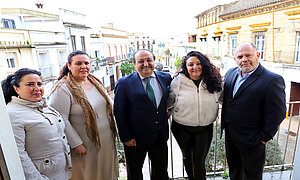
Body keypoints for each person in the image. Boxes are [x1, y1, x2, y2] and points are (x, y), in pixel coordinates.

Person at [221, 42, 286, 180]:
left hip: (253, 140)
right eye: (240, 56)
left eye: (248, 55)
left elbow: (278, 113)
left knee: (252, 176)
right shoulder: (231, 73)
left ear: (257, 55)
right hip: (231, 137)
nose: (244, 59)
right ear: (235, 59)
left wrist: (263, 137)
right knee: (234, 172)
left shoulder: (272, 80)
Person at [49, 50, 119, 180]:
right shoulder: (63, 88)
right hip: (85, 144)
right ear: (69, 66)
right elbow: (60, 118)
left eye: (86, 63)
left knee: (106, 171)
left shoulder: (94, 81)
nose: (83, 66)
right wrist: (76, 144)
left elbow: (110, 104)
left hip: (105, 139)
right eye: (78, 63)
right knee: (89, 174)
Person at [1, 68, 72, 180]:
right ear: (16, 88)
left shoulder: (44, 107)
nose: (37, 88)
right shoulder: (12, 114)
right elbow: (19, 154)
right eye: (30, 84)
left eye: (39, 84)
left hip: (61, 174)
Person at [114, 49, 172, 180]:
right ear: (134, 64)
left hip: (160, 135)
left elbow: (171, 98)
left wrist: (169, 111)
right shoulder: (124, 83)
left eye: (149, 60)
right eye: (141, 61)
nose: (146, 64)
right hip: (135, 139)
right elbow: (119, 112)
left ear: (154, 61)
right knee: (135, 174)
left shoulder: (165, 78)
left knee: (161, 172)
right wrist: (126, 137)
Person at [167, 51, 222, 180]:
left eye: (198, 63)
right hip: (181, 127)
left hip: (204, 128)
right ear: (186, 67)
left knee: (199, 161)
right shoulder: (178, 81)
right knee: (187, 157)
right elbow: (169, 101)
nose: (195, 67)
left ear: (204, 65)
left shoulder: (213, 81)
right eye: (190, 64)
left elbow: (223, 99)